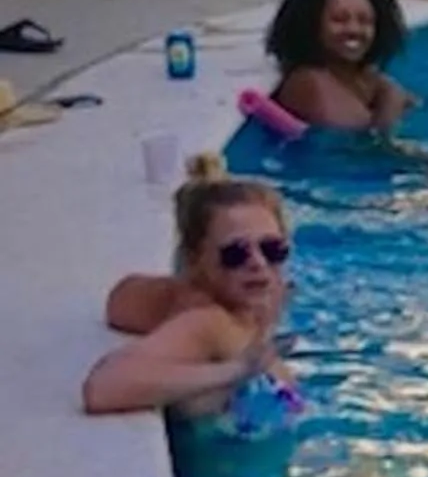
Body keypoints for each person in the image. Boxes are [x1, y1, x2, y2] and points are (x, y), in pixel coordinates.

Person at [84, 173, 303, 453]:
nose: (258, 264)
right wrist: (237, 371)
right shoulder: (207, 322)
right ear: (195, 259)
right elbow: (104, 388)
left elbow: (121, 298)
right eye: (235, 253)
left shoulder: (266, 297)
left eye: (272, 249)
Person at [262, 0, 423, 136]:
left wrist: (390, 102)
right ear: (311, 26)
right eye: (339, 20)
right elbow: (365, 141)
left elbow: (407, 98)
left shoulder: (358, 74)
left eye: (365, 21)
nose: (354, 30)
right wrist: (389, 113)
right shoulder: (309, 81)